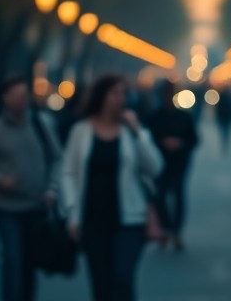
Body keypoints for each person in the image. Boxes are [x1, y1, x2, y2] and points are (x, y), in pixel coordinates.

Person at [61, 74, 165, 301]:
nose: (121, 98)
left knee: (122, 279)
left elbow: (155, 167)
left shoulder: (132, 131)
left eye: (123, 94)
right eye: (115, 93)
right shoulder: (81, 131)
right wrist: (72, 214)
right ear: (101, 96)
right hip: (92, 219)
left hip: (129, 219)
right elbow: (68, 173)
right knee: (101, 285)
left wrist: (137, 132)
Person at [0, 76, 62, 301]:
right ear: (6, 98)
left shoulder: (41, 125)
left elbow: (57, 158)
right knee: (12, 257)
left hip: (37, 204)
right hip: (7, 206)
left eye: (25, 94)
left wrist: (52, 189)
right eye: (17, 95)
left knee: (30, 261)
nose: (23, 99)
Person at [146, 80, 200, 250]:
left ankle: (176, 231)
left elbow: (193, 139)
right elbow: (147, 140)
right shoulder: (154, 117)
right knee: (160, 196)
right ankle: (166, 228)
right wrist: (163, 143)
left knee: (177, 195)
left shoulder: (184, 117)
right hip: (159, 164)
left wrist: (180, 144)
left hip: (179, 163)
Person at [215, 87, 231, 154]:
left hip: (224, 118)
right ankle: (225, 144)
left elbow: (218, 109)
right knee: (226, 133)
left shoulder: (221, 98)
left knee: (224, 132)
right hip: (226, 118)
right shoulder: (230, 98)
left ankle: (224, 145)